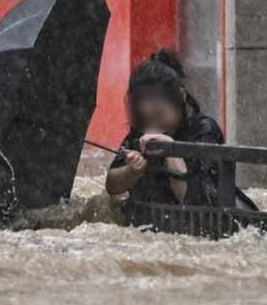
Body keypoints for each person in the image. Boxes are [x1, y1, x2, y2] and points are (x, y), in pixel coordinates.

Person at [106, 48, 257, 225]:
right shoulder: (140, 133)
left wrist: (171, 150)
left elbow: (194, 204)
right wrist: (132, 170)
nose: (153, 125)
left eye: (159, 115)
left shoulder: (204, 131)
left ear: (181, 96)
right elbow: (112, 186)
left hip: (211, 223)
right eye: (145, 118)